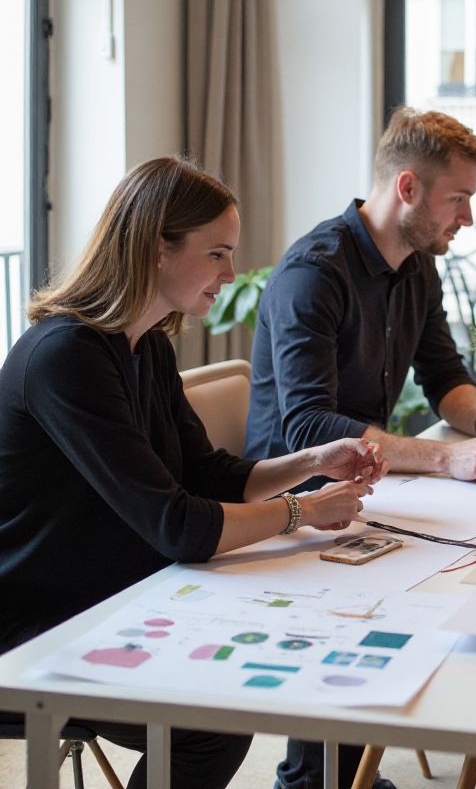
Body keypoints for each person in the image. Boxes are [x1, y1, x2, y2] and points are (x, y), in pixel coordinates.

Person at [0, 157, 387, 789]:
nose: (231, 274)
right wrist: (304, 511)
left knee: (237, 686)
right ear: (157, 249)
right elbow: (177, 526)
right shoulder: (64, 358)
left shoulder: (143, 342)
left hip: (108, 591)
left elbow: (207, 474)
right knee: (207, 722)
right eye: (217, 254)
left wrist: (310, 465)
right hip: (34, 621)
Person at [245, 106, 476, 789]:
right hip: (294, 495)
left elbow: (445, 377)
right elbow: (308, 427)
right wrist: (445, 457)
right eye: (458, 200)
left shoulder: (417, 269)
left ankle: (343, 773)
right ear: (408, 188)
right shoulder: (316, 273)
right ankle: (313, 779)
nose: (467, 219)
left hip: (366, 483)